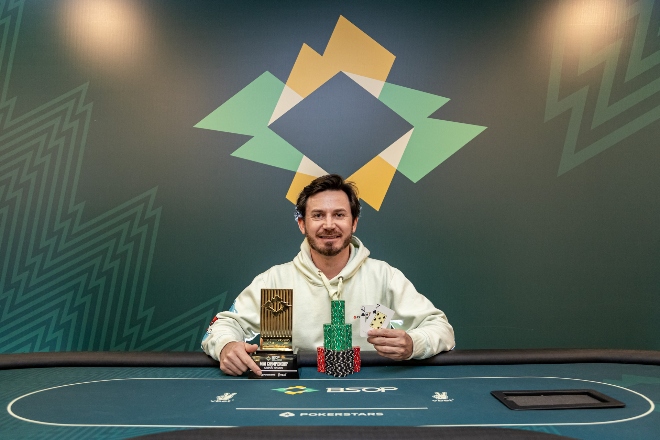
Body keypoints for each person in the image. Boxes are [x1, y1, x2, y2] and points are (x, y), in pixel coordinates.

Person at [201, 174, 454, 376]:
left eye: (339, 215)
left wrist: (413, 344)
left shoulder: (383, 277)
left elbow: (441, 328)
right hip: (293, 396)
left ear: (354, 223)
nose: (329, 224)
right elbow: (222, 326)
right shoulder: (275, 282)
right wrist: (227, 345)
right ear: (302, 224)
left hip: (370, 392)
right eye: (318, 215)